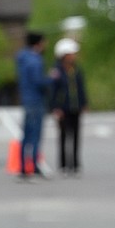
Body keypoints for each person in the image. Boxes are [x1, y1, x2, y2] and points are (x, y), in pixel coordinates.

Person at [48, 37, 88, 174]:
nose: (74, 56)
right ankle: (64, 165)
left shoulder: (77, 71)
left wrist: (84, 103)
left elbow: (81, 88)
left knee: (76, 136)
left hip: (75, 108)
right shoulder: (57, 72)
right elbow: (53, 91)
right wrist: (55, 107)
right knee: (64, 137)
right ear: (64, 55)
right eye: (71, 54)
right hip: (63, 109)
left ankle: (75, 164)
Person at [15, 31, 49, 178]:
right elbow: (38, 82)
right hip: (36, 100)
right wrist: (52, 79)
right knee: (35, 135)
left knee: (26, 135)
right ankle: (33, 167)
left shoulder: (22, 58)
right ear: (39, 43)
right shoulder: (35, 60)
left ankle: (23, 167)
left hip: (26, 99)